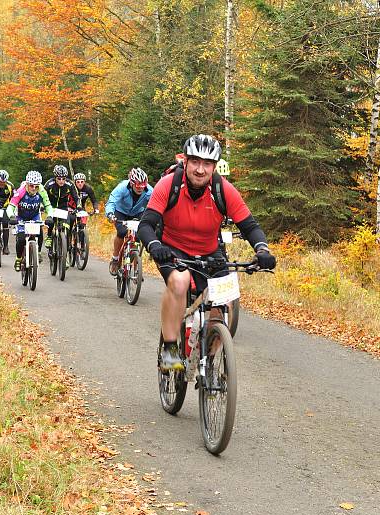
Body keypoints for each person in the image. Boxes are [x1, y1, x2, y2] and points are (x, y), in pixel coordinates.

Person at [137, 134, 276, 371]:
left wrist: (262, 249)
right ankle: (170, 349)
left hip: (210, 253)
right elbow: (146, 225)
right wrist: (155, 246)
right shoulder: (168, 185)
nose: (200, 170)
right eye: (195, 162)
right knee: (180, 283)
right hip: (172, 250)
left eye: (207, 164)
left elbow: (250, 226)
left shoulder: (223, 189)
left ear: (214, 167)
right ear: (185, 162)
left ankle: (209, 366)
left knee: (223, 305)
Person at [105, 167, 153, 276]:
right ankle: (115, 258)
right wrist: (110, 214)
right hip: (120, 212)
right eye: (138, 185)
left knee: (139, 235)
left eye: (143, 185)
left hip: (137, 213)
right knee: (121, 232)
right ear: (131, 183)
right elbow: (111, 201)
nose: (141, 188)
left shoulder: (149, 190)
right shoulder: (122, 187)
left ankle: (137, 269)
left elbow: (155, 204)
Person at [7, 170, 55, 271]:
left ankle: (37, 253)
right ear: (27, 184)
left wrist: (50, 216)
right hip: (21, 217)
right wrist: (11, 217)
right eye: (31, 186)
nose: (34, 188)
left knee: (40, 233)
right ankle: (18, 259)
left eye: (36, 186)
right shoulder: (20, 191)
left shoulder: (42, 191)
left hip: (34, 216)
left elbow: (48, 207)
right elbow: (10, 207)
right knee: (20, 239)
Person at [43, 164, 80, 250]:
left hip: (63, 207)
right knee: (51, 222)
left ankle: (65, 240)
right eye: (59, 179)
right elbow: (42, 195)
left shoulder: (70, 184)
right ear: (55, 178)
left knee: (67, 224)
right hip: (51, 206)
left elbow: (76, 197)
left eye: (63, 178)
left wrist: (78, 206)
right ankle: (49, 236)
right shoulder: (49, 184)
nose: (61, 181)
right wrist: (42, 206)